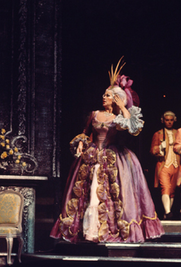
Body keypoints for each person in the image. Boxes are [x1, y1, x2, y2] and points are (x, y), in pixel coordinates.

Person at [50, 60, 164, 243]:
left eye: (108, 95)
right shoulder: (94, 114)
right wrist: (81, 142)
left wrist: (123, 106)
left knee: (115, 195)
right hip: (92, 157)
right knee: (91, 193)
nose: (104, 97)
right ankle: (90, 232)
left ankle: (108, 231)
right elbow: (86, 133)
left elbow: (132, 129)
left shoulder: (119, 118)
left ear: (116, 99)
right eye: (104, 94)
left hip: (115, 159)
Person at [150, 111, 181, 220]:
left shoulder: (178, 133)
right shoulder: (158, 134)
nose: (169, 122)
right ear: (163, 121)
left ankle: (167, 213)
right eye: (167, 120)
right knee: (165, 188)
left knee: (172, 191)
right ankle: (168, 211)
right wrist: (159, 148)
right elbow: (152, 150)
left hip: (176, 165)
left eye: (171, 120)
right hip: (163, 165)